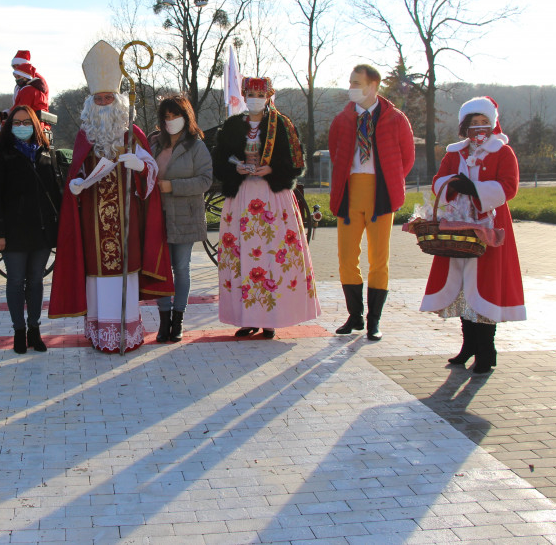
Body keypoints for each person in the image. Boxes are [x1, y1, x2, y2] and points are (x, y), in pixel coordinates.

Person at [48, 40, 174, 353]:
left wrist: (141, 166)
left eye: (108, 97)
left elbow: (151, 176)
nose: (104, 103)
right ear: (91, 103)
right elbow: (75, 172)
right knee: (99, 280)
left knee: (125, 278)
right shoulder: (83, 136)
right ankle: (100, 333)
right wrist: (76, 185)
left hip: (127, 226)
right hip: (93, 225)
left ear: (117, 100)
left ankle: (126, 331)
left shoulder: (133, 134)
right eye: (99, 98)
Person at [420, 97, 525, 374]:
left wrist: (477, 190)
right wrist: (454, 184)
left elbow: (509, 186)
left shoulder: (503, 152)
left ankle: (486, 351)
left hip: (489, 227)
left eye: (483, 123)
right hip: (458, 225)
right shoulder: (455, 153)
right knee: (463, 287)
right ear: (464, 126)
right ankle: (468, 346)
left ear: (492, 124)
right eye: (473, 123)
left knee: (486, 284)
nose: (479, 128)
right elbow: (438, 181)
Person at [212, 77, 320, 337]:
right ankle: (247, 317)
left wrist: (272, 168)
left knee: (272, 255)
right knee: (243, 257)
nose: (254, 99)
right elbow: (218, 161)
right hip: (241, 197)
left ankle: (271, 317)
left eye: (259, 95)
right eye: (250, 94)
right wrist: (234, 168)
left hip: (274, 198)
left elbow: (296, 162)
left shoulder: (281, 124)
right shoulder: (231, 126)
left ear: (269, 96)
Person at [329, 64, 415, 341]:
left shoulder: (396, 119)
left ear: (373, 86)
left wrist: (390, 181)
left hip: (380, 193)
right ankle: (354, 316)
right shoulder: (342, 120)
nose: (352, 87)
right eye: (351, 82)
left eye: (357, 83)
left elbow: (407, 157)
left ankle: (373, 321)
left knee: (379, 259)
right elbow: (335, 152)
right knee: (346, 257)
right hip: (350, 191)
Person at [0, 104, 62, 354]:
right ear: (10, 127)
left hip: (41, 231)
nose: (21, 127)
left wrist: (58, 229)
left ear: (35, 125)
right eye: (16, 123)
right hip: (13, 232)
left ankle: (34, 328)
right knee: (16, 281)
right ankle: (19, 330)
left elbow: (54, 192)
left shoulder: (46, 153)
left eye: (26, 122)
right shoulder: (1, 155)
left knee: (37, 282)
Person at [149, 95, 213, 343]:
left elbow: (205, 181)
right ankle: (163, 320)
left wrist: (172, 186)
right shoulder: (155, 145)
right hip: (158, 215)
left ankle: (178, 320)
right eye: (166, 117)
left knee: (181, 268)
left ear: (186, 117)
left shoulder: (196, 146)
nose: (171, 121)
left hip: (185, 214)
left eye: (175, 115)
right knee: (160, 269)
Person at [0, 50, 51, 148]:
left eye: (18, 66)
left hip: (29, 122)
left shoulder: (29, 89)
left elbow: (22, 109)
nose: (16, 69)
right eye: (14, 67)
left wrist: (7, 119)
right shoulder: (26, 85)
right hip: (27, 119)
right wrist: (5, 114)